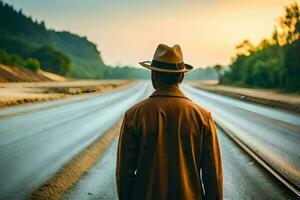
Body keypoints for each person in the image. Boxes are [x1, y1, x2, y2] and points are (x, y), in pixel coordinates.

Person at [116, 44, 223, 200]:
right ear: (181, 77)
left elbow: (124, 173)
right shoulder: (202, 117)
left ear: (154, 76)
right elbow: (212, 176)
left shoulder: (134, 115)